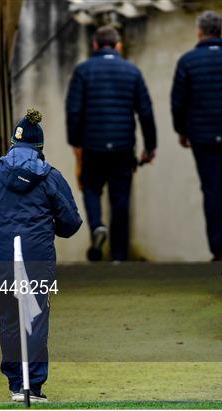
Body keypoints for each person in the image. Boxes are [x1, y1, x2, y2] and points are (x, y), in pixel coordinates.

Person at [0, 109, 82, 403]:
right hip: (37, 259)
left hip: (2, 259)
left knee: (10, 320)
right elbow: (72, 223)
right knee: (36, 318)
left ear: (12, 144)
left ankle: (16, 384)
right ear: (40, 148)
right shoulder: (50, 176)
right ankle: (34, 386)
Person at [66, 25, 157, 262]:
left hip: (92, 144)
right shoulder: (132, 71)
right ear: (118, 45)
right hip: (123, 146)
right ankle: (118, 256)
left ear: (95, 45)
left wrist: (75, 142)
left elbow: (73, 110)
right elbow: (145, 112)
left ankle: (97, 226)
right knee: (121, 198)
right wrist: (150, 146)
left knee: (91, 188)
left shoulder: (82, 71)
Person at [170, 10, 222, 261]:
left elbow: (178, 103)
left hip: (202, 138)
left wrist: (182, 131)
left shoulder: (188, 61)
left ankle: (218, 249)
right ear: (220, 30)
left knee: (211, 190)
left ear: (199, 31)